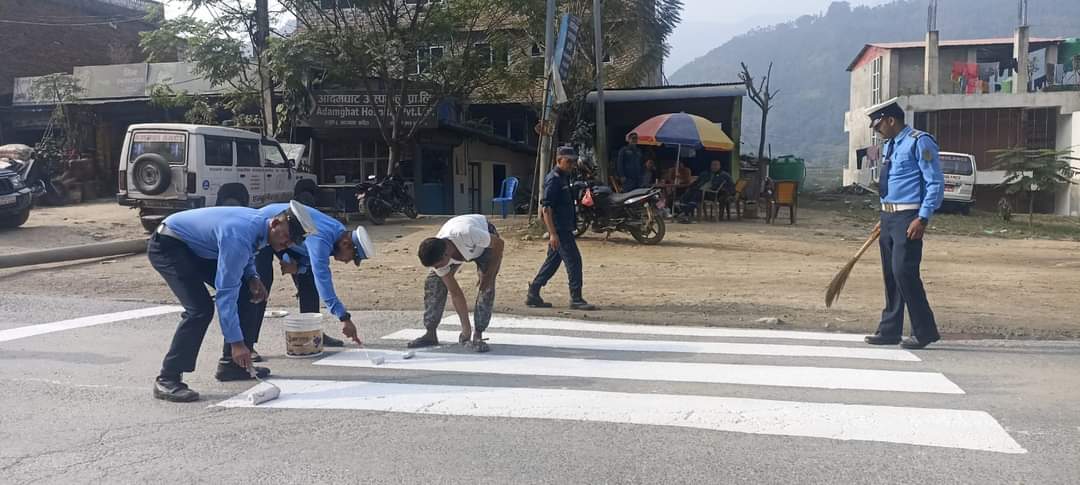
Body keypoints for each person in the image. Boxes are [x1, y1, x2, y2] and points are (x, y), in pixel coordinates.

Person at [148, 206, 302, 403]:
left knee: (248, 292)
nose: (286, 244)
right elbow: (226, 293)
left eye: (291, 242)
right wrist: (236, 342)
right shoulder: (240, 233)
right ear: (275, 224)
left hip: (197, 248)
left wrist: (252, 276)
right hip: (169, 245)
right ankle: (167, 378)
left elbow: (247, 252)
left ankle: (232, 365)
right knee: (200, 309)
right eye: (286, 237)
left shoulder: (261, 227)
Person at [863, 100, 944, 350]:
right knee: (891, 274)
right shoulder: (890, 145)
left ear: (891, 120)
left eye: (878, 126)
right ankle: (890, 330)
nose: (877, 131)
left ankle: (925, 331)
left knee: (904, 272)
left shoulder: (920, 142)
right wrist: (884, 216)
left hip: (910, 218)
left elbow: (935, 182)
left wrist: (923, 217)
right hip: (889, 217)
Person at [247, 201, 373, 360]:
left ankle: (312, 333)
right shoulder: (323, 239)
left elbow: (308, 257)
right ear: (346, 244)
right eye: (352, 258)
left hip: (291, 238)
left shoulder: (339, 232)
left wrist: (298, 268)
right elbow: (323, 279)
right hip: (272, 227)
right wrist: (344, 317)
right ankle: (247, 344)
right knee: (261, 283)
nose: (348, 262)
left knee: (308, 280)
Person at [413, 214, 505, 352]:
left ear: (445, 254)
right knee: (433, 283)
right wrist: (465, 328)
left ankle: (478, 334)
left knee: (486, 287)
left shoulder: (468, 233)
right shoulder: (439, 257)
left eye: (438, 265)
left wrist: (489, 275)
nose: (437, 268)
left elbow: (499, 244)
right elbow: (455, 292)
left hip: (486, 244)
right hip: (460, 244)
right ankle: (430, 333)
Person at [527, 146, 597, 311]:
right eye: (568, 161)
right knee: (574, 262)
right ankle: (576, 298)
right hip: (559, 230)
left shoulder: (565, 177)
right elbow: (546, 208)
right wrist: (552, 233)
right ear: (559, 160)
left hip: (564, 227)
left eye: (573, 161)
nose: (571, 164)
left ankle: (533, 292)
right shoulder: (554, 179)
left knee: (552, 262)